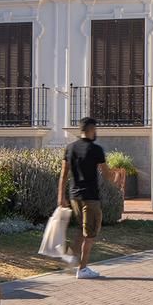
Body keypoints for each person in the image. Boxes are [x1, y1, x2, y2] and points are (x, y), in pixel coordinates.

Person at [57, 117, 108, 278]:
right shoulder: (96, 149)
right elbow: (106, 174)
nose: (96, 133)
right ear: (91, 130)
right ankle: (82, 268)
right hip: (90, 197)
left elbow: (63, 174)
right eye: (95, 130)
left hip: (74, 196)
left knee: (82, 229)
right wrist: (116, 179)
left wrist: (61, 196)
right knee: (90, 233)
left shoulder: (70, 148)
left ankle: (71, 256)